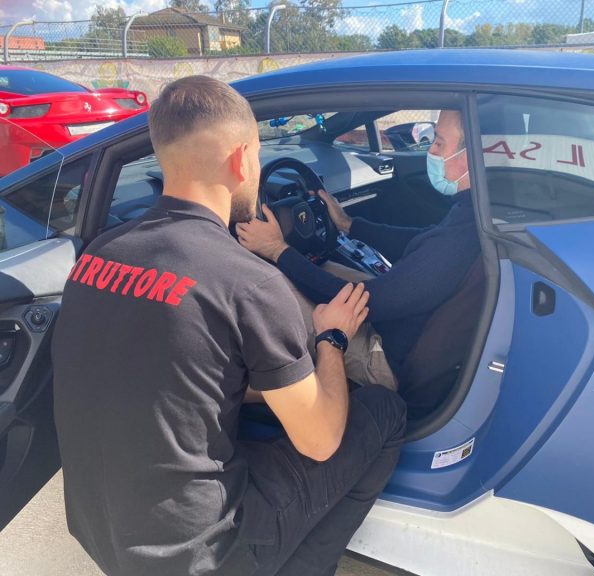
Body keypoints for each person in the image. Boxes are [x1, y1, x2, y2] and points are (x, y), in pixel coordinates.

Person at [52, 76, 406, 576]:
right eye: (258, 158)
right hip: (205, 552)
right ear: (242, 160)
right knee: (384, 410)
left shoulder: (96, 255)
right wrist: (331, 336)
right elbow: (321, 440)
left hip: (100, 530)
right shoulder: (251, 284)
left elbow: (186, 375)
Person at [237, 110, 481, 391]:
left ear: (467, 157)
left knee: (269, 291)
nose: (432, 151)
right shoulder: (471, 214)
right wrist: (349, 224)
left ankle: (247, 391)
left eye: (438, 143)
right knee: (318, 270)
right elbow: (423, 240)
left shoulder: (457, 242)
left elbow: (365, 303)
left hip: (387, 358)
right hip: (399, 323)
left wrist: (277, 250)